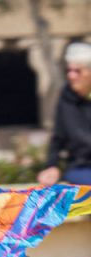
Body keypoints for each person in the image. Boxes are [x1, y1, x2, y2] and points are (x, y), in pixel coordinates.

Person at [38, 42, 91, 187]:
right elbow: (58, 137)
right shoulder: (66, 98)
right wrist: (51, 166)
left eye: (77, 71)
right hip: (81, 167)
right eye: (69, 70)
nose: (71, 76)